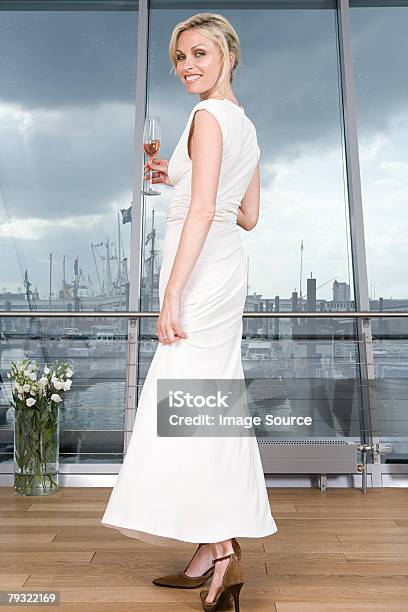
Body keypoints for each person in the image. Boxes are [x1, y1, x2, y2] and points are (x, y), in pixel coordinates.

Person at [101, 12, 278, 611]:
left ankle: (222, 549)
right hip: (226, 268)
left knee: (189, 405)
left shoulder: (206, 117)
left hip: (198, 273)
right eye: (179, 57)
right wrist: (173, 179)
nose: (187, 66)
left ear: (227, 53)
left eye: (199, 53)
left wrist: (172, 293)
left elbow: (203, 212)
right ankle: (209, 547)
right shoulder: (244, 123)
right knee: (204, 402)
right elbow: (246, 214)